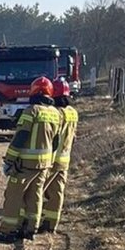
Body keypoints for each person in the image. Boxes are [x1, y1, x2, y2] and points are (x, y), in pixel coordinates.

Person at [0, 77, 61, 243]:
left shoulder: (31, 111)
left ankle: (7, 231)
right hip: (44, 164)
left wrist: (9, 160)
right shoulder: (55, 113)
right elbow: (56, 142)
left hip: (25, 164)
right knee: (34, 196)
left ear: (33, 91)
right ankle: (30, 230)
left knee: (13, 196)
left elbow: (21, 137)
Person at [40, 78, 79, 234]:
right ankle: (51, 224)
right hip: (65, 159)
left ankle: (30, 222)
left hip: (51, 159)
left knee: (35, 191)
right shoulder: (73, 113)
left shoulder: (56, 113)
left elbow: (52, 137)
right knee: (57, 193)